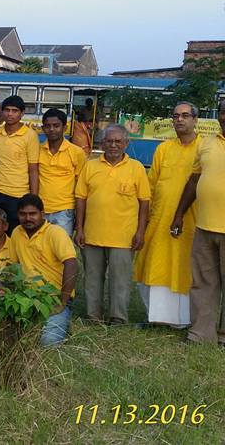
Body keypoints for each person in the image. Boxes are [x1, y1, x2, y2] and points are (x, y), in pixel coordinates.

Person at [75, 124, 150, 324]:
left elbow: (144, 202)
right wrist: (79, 228)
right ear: (102, 143)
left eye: (118, 141)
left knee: (120, 281)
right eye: (109, 141)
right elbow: (81, 198)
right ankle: (93, 316)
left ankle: (118, 318)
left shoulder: (137, 168)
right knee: (92, 279)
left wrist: (140, 232)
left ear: (126, 143)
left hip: (124, 237)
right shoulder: (90, 166)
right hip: (92, 234)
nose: (113, 145)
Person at [135, 102, 200, 327]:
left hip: (192, 221)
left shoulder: (204, 148)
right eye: (175, 116)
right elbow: (152, 185)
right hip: (160, 220)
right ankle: (156, 318)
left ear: (195, 120)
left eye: (185, 115)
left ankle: (184, 321)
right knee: (155, 264)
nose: (179, 119)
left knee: (185, 268)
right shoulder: (163, 149)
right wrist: (145, 218)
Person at [172, 98, 225, 345]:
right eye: (222, 112)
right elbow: (194, 181)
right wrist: (179, 214)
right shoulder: (206, 143)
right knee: (203, 283)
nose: (224, 117)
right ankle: (201, 334)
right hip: (204, 227)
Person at [9, 194, 79, 346]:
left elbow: (72, 264)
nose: (27, 218)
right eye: (23, 214)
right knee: (14, 338)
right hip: (26, 298)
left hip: (54, 298)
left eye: (32, 214)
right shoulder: (16, 233)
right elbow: (12, 267)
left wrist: (62, 301)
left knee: (48, 342)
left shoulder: (55, 232)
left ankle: (63, 321)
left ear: (42, 213)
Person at [0, 95, 39, 233]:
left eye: (14, 111)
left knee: (15, 234)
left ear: (22, 113)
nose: (10, 114)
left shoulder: (30, 135)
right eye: (7, 110)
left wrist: (33, 200)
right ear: (2, 112)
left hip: (18, 195)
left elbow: (33, 170)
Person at [38, 108, 86, 235]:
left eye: (56, 126)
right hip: (40, 208)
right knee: (39, 245)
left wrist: (79, 219)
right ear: (43, 128)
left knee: (61, 245)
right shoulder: (37, 150)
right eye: (47, 126)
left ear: (65, 128)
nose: (52, 129)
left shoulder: (76, 152)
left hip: (65, 210)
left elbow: (81, 186)